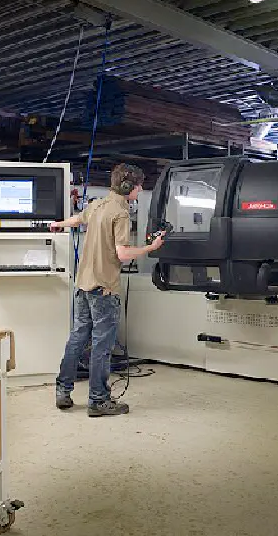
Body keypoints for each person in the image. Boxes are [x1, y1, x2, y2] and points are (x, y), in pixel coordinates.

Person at [49, 163, 165, 417]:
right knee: (102, 346)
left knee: (78, 338)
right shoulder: (121, 213)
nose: (140, 190)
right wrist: (151, 248)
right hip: (104, 288)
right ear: (128, 187)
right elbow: (123, 254)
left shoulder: (98, 205)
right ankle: (99, 400)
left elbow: (77, 219)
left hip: (83, 285)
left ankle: (63, 390)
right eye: (138, 186)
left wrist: (58, 224)